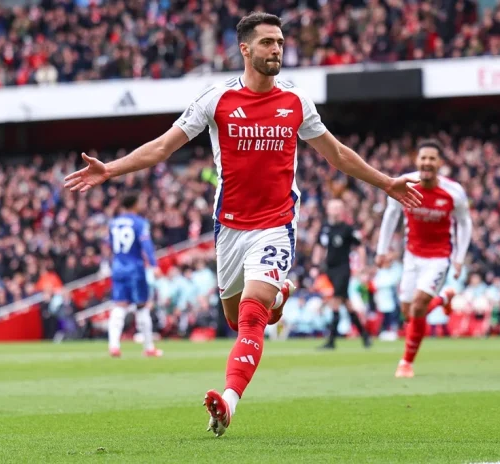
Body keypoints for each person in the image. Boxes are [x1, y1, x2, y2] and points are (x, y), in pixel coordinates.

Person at [63, 12, 421, 437]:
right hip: (229, 228)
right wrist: (111, 170)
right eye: (268, 42)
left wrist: (386, 184)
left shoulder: (296, 102)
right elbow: (162, 147)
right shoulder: (215, 100)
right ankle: (280, 295)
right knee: (238, 320)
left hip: (276, 223)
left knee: (251, 317)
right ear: (245, 49)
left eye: (281, 43)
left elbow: (337, 154)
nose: (277, 50)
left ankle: (228, 403)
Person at [376, 140, 472, 378]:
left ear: (440, 163)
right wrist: (382, 249)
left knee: (418, 305)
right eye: (423, 158)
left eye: (432, 158)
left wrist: (459, 258)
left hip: (439, 257)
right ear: (417, 161)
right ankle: (443, 299)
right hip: (412, 256)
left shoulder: (453, 191)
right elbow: (390, 216)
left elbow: (465, 223)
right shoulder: (405, 184)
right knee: (408, 313)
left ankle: (406, 362)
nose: (427, 162)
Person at [107, 193, 163, 358]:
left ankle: (114, 346)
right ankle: (148, 348)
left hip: (118, 267)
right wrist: (154, 265)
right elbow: (147, 245)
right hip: (135, 269)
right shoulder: (140, 223)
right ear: (135, 204)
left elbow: (110, 245)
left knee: (119, 306)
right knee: (142, 306)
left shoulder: (113, 224)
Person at [312, 199, 371, 349]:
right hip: (329, 269)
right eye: (334, 208)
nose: (336, 211)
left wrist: (362, 267)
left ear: (342, 210)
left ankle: (331, 340)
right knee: (347, 304)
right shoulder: (325, 228)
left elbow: (360, 247)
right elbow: (319, 247)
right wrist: (315, 265)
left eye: (339, 208)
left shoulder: (347, 229)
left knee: (336, 301)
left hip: (343, 269)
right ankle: (365, 336)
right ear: (328, 210)